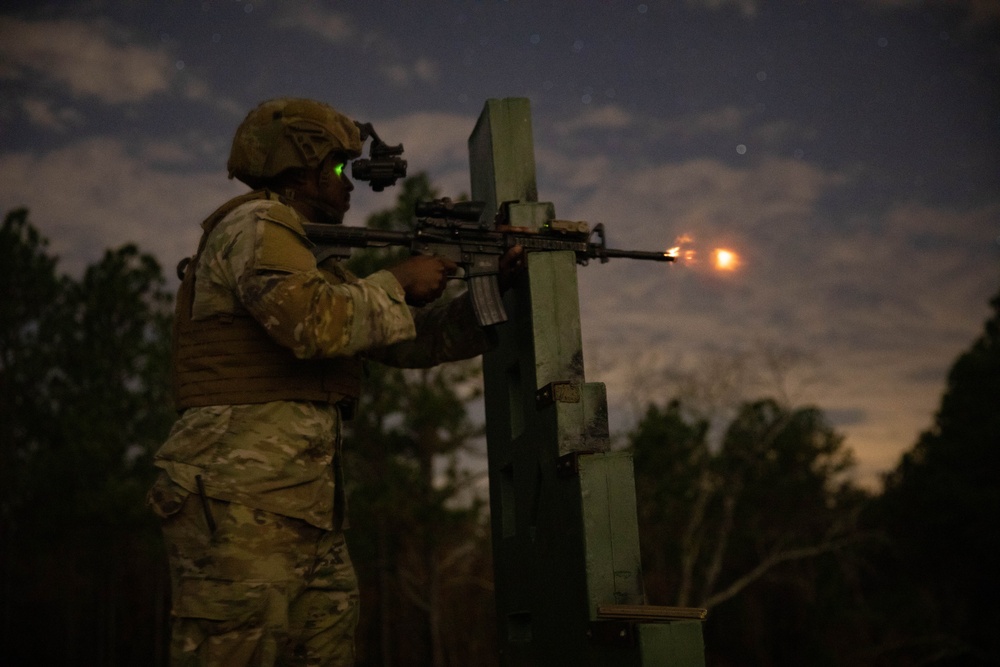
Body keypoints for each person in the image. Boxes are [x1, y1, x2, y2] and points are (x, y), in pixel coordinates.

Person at [147, 97, 523, 666]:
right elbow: (312, 324)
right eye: (341, 167)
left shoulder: (314, 257)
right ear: (299, 165)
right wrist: (398, 281)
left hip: (307, 508)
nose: (352, 182)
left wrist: (492, 292)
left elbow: (409, 337)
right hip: (239, 499)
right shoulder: (256, 224)